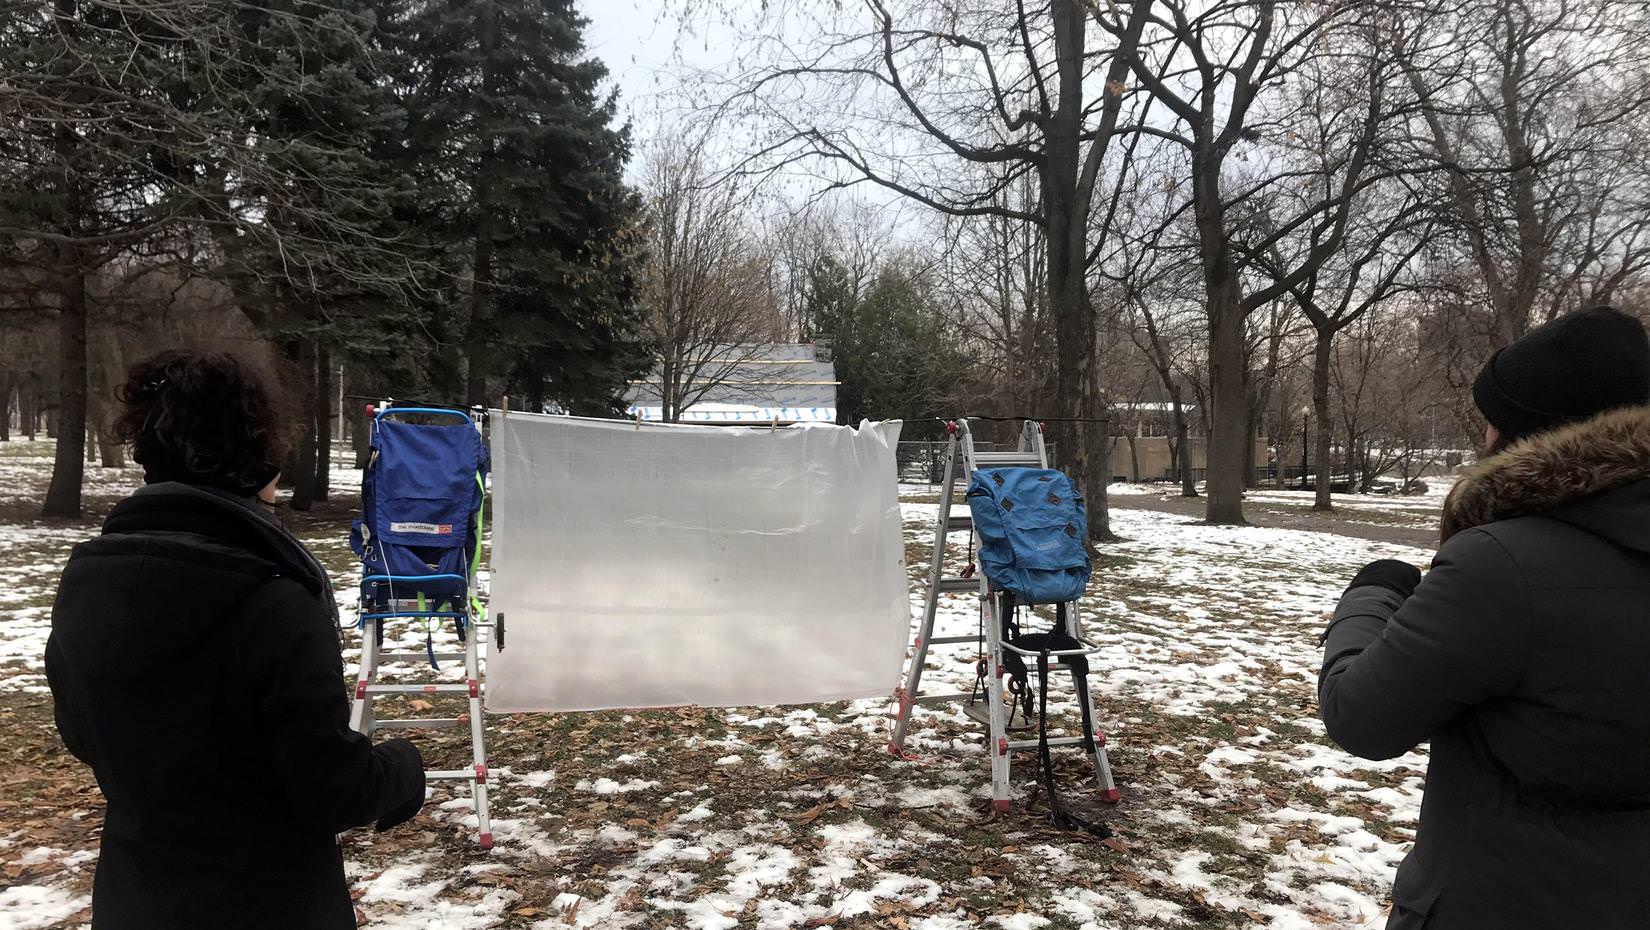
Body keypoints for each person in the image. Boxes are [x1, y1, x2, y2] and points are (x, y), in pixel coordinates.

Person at [45, 351, 426, 930]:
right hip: (267, 898)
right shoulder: (274, 602)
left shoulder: (90, 583)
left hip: (136, 894)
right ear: (258, 460)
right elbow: (329, 787)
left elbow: (83, 736)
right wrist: (403, 769)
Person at [1319, 306, 1650, 929]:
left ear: (1523, 434)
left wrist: (1370, 596)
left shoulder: (1501, 565)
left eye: (1490, 422)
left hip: (1497, 902)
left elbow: (1361, 716)